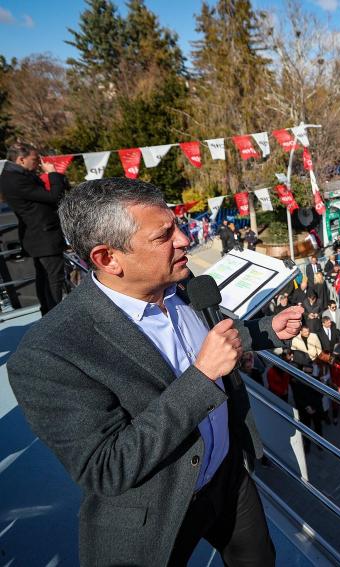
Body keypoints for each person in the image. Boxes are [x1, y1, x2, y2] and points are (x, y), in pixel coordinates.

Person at [8, 178, 305, 566]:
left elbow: (215, 337)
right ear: (108, 258)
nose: (184, 240)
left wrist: (265, 331)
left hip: (230, 476)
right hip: (158, 511)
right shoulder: (50, 354)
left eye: (176, 226)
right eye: (163, 235)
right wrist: (202, 378)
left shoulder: (184, 283)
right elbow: (107, 467)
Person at [0, 142, 69, 314]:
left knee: (44, 277)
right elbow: (54, 197)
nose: (38, 163)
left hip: (38, 234)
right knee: (53, 278)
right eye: (35, 159)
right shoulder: (16, 179)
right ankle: (54, 317)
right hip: (43, 235)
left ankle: (48, 314)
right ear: (21, 159)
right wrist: (53, 174)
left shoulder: (16, 176)